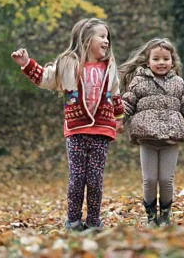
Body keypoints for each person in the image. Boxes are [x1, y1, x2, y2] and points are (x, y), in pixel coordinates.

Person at [10, 18, 124, 232]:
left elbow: (115, 92)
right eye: (101, 36)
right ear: (86, 38)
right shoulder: (68, 63)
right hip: (76, 129)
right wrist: (27, 63)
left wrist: (119, 118)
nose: (106, 41)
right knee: (77, 178)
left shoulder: (109, 67)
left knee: (95, 179)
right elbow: (46, 77)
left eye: (107, 37)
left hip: (101, 128)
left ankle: (93, 221)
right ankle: (73, 221)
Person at [119, 38, 184, 226]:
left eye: (166, 58)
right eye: (156, 59)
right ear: (147, 61)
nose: (161, 63)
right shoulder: (138, 81)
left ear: (172, 61)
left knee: (166, 179)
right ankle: (151, 216)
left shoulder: (178, 83)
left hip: (171, 136)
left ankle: (165, 214)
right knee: (149, 180)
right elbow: (127, 104)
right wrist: (119, 120)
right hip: (147, 136)